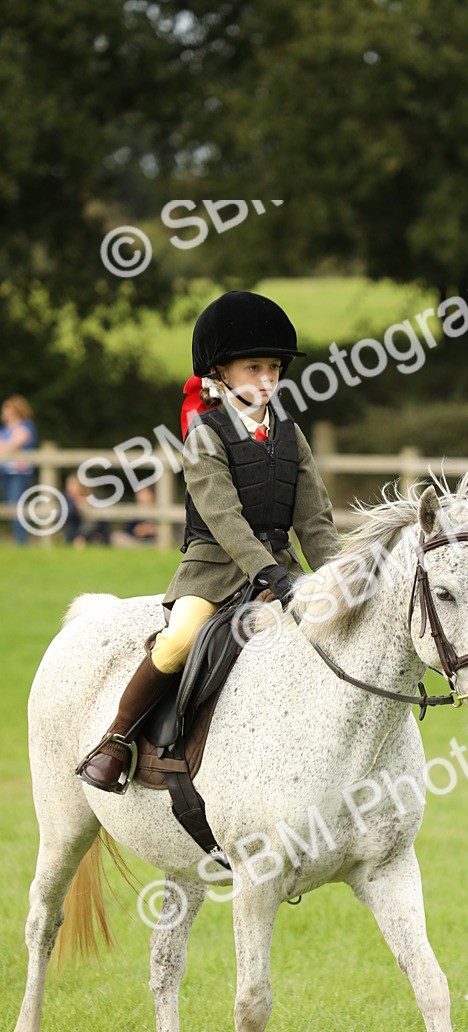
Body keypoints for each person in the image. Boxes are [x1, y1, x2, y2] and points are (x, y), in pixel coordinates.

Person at [77, 291, 341, 793]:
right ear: (220, 373)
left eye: (274, 368)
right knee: (179, 642)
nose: (267, 379)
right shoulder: (205, 434)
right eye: (253, 367)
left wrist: (343, 578)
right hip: (213, 569)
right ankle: (115, 739)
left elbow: (317, 523)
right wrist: (267, 573)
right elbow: (223, 517)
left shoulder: (292, 435)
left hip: (281, 570)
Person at [0, 395, 38, 545]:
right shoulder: (5, 429)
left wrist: (6, 446)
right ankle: (19, 541)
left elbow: (11, 446)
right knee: (10, 506)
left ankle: (22, 542)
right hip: (5, 472)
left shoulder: (27, 426)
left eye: (6, 408)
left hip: (19, 474)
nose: (4, 412)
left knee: (17, 506)